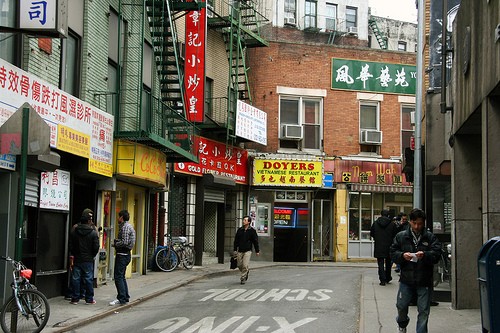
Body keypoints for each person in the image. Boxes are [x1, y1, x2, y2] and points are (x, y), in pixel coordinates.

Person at [390, 208, 441, 333]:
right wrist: (402, 256)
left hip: (424, 279)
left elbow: (436, 254)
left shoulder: (429, 237)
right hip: (406, 279)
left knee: (423, 311)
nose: (417, 226)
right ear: (410, 222)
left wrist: (425, 254)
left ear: (423, 223)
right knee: (401, 306)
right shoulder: (402, 236)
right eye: (414, 223)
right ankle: (402, 324)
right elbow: (392, 253)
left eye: (420, 223)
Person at [69, 208, 99, 305]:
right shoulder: (93, 232)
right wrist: (92, 255)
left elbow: (71, 245)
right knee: (88, 278)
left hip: (77, 258)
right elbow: (96, 247)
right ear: (88, 220)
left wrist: (74, 254)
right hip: (88, 259)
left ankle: (75, 298)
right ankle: (89, 298)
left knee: (76, 278)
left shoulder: (74, 231)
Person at [109, 210, 136, 306]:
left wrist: (115, 244)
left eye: (118, 216)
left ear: (122, 217)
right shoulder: (129, 226)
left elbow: (124, 242)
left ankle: (122, 298)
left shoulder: (125, 228)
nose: (117, 218)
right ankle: (125, 296)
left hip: (122, 255)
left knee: (118, 277)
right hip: (126, 254)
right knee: (122, 276)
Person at [370, 209, 398, 285]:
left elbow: (372, 233)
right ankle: (388, 277)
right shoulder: (392, 224)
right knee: (388, 263)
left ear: (381, 214)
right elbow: (395, 235)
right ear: (388, 215)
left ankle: (382, 280)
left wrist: (377, 238)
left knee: (380, 263)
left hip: (379, 246)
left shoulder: (375, 223)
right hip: (389, 246)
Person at [233, 215, 260, 284]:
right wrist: (235, 249)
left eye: (245, 220)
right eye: (243, 220)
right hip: (240, 250)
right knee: (239, 265)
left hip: (248, 250)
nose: (243, 221)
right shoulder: (240, 230)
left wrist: (257, 250)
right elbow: (236, 240)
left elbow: (255, 241)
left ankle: (243, 278)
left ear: (249, 222)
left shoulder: (252, 231)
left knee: (245, 265)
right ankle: (246, 271)